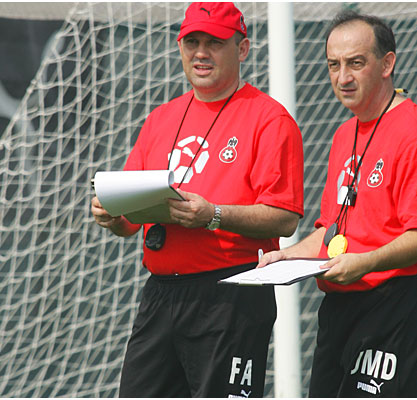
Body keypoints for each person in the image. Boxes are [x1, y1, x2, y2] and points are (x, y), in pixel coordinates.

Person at [91, 2, 304, 397]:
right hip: (161, 294)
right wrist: (111, 214)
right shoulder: (161, 118)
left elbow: (284, 217)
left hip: (230, 294)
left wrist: (213, 215)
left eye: (214, 43)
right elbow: (129, 223)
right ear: (179, 47)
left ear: (242, 49)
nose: (201, 53)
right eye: (192, 42)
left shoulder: (270, 120)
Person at [258, 10, 417, 397]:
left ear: (387, 64)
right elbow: (334, 231)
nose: (343, 77)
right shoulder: (344, 134)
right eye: (334, 65)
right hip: (340, 308)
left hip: (393, 306)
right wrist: (289, 255)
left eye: (356, 63)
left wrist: (364, 262)